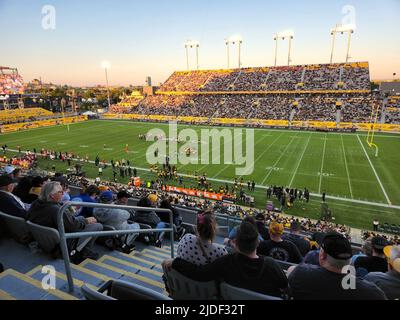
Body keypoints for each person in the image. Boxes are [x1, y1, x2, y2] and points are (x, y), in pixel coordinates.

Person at [163, 221, 288, 297]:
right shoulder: (271, 265)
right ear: (257, 244)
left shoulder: (227, 262)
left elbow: (199, 273)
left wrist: (175, 261)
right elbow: (285, 285)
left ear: (235, 243)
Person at [287, 232, 387, 300]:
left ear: (322, 256)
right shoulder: (373, 293)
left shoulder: (300, 273)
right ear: (349, 261)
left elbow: (291, 272)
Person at [27, 182, 102, 260]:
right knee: (98, 226)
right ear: (52, 196)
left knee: (81, 217)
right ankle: (82, 252)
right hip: (63, 242)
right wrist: (86, 221)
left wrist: (82, 219)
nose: (63, 193)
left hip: (46, 239)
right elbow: (74, 227)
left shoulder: (36, 203)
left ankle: (84, 250)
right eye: (60, 192)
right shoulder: (56, 210)